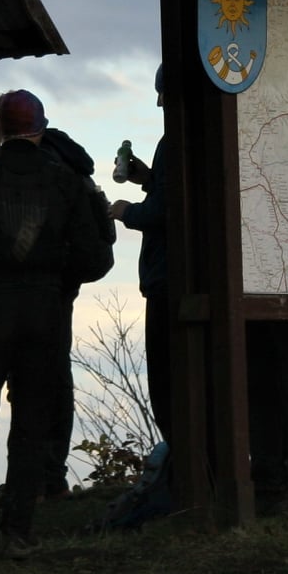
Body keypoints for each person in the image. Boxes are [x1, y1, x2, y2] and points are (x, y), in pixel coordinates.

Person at [0, 90, 113, 557]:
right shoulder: (66, 182)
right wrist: (56, 279)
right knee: (32, 422)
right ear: (40, 128)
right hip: (44, 313)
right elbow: (95, 259)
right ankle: (18, 529)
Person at [36, 122, 115, 500]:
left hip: (30, 286)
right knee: (55, 375)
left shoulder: (37, 168)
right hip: (63, 287)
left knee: (29, 378)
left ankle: (35, 478)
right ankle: (50, 475)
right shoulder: (73, 167)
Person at [110, 66, 171, 443]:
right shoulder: (198, 138)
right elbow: (177, 193)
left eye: (163, 93)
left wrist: (125, 211)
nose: (159, 102)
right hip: (181, 279)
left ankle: (181, 460)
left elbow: (165, 211)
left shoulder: (174, 140)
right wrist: (148, 179)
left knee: (166, 386)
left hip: (167, 280)